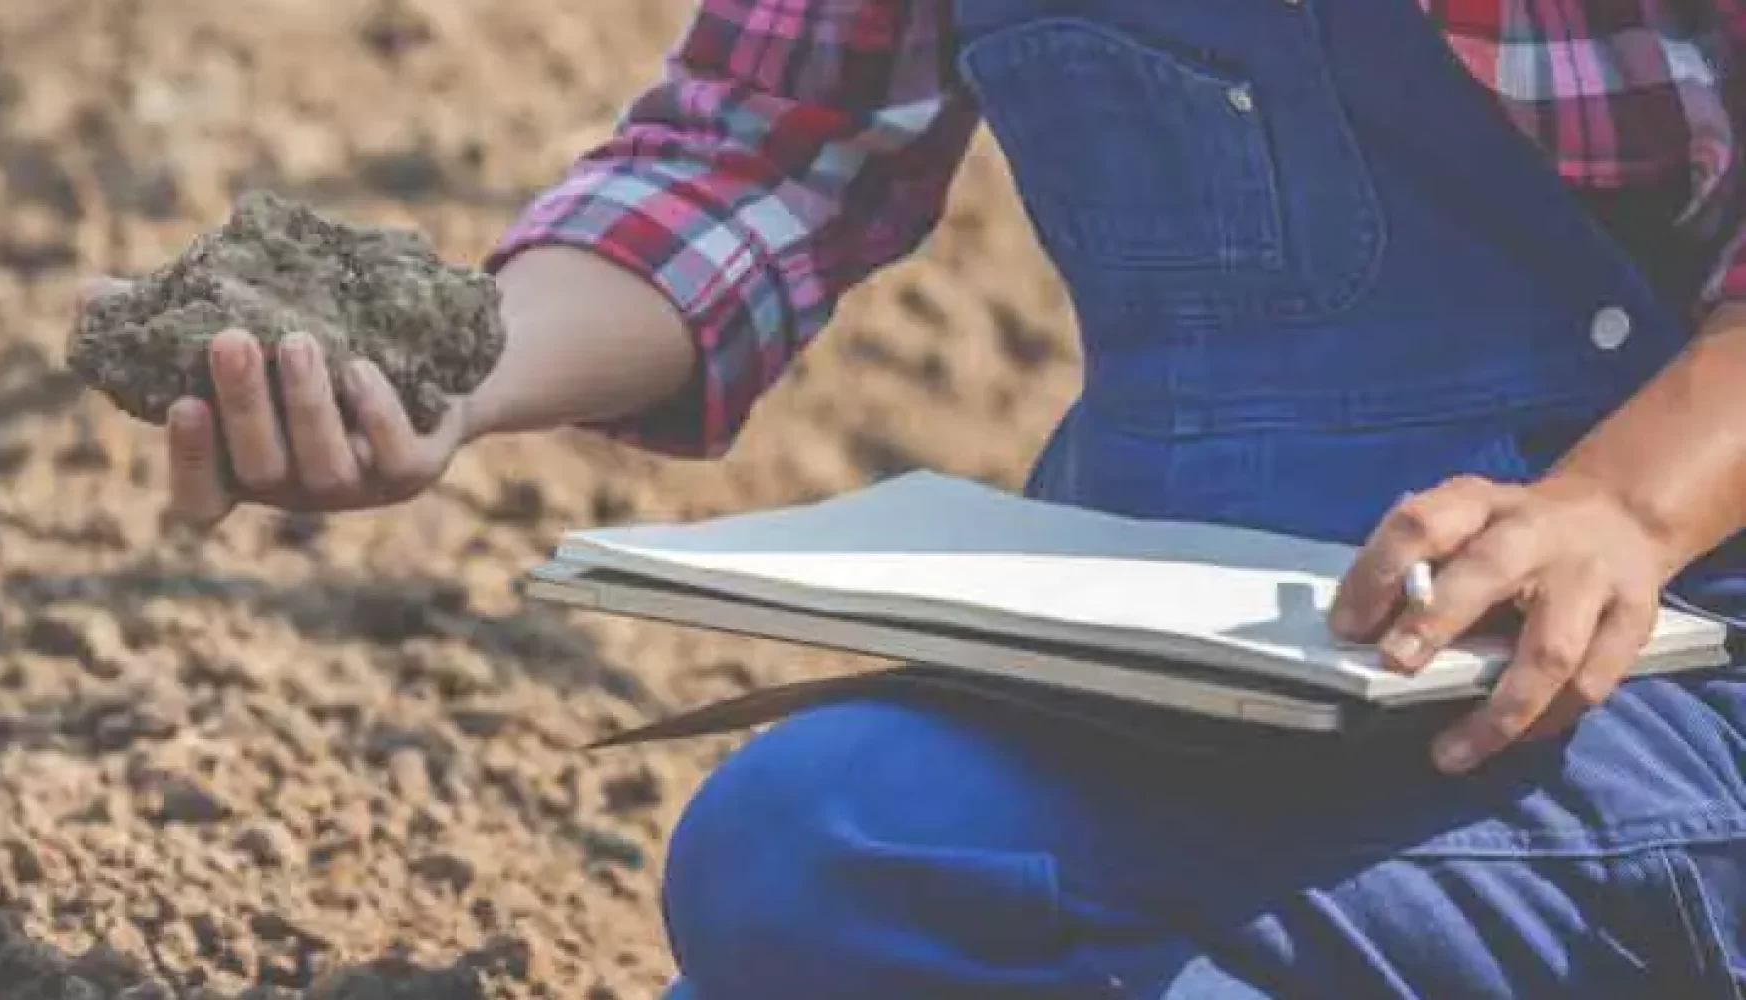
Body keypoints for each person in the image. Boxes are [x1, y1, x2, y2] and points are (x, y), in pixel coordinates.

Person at [87, 0, 1746, 995]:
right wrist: (449, 371)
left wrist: (1622, 504)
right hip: (1203, 661)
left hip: (1636, 679)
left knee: (858, 869)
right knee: (836, 875)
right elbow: (759, 151)